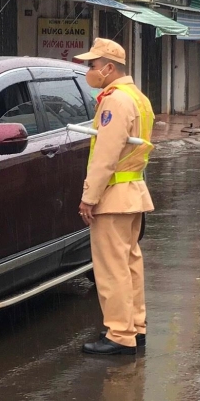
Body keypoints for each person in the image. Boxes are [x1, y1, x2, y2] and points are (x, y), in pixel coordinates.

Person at [73, 38, 155, 357]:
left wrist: (89, 198)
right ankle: (135, 327)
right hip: (132, 192)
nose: (89, 71)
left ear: (109, 68)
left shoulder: (115, 101)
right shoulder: (138, 98)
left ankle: (119, 334)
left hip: (113, 196)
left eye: (92, 65)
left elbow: (105, 156)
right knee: (130, 264)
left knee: (112, 270)